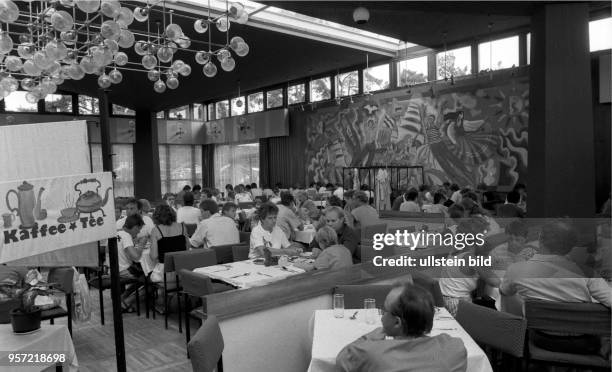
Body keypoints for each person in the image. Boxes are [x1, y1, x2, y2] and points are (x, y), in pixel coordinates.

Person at [501, 220, 611, 355]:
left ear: (540, 238)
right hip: (584, 344)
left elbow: (504, 292)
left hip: (540, 339)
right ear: (572, 246)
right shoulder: (586, 272)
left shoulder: (516, 269)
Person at [336, 284, 467, 372]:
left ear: (397, 323)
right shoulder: (455, 348)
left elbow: (341, 361)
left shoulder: (370, 353)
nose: (381, 316)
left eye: (384, 310)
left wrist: (371, 336)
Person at [438, 218, 500, 316]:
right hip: (458, 305)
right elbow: (495, 282)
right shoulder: (471, 259)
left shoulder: (455, 251)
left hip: (442, 300)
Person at [148, 205, 190, 280]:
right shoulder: (182, 227)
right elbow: (187, 248)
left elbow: (154, 256)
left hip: (164, 273)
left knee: (146, 275)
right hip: (182, 271)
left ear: (156, 217)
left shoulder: (156, 230)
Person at [117, 214, 145, 312]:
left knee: (143, 275)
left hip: (113, 269)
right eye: (139, 229)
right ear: (135, 227)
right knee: (150, 280)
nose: (139, 232)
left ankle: (122, 297)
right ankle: (127, 302)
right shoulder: (126, 236)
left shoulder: (118, 233)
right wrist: (141, 244)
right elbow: (136, 257)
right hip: (123, 271)